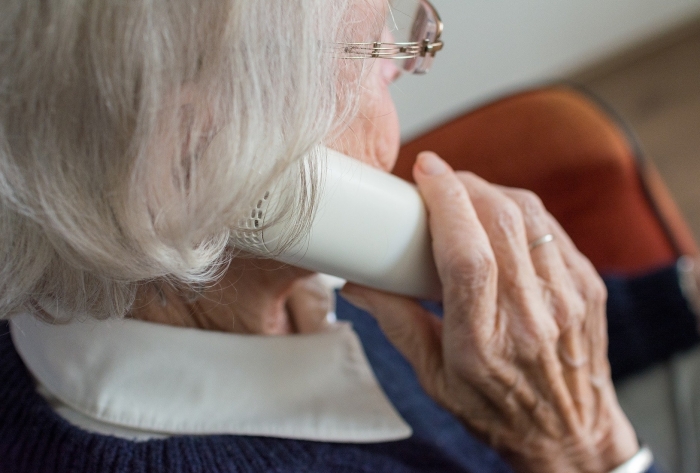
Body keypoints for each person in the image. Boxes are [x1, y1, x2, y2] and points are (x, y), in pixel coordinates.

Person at [0, 0, 678, 471]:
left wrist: (681, 294)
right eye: (378, 45)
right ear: (196, 161)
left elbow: (498, 335)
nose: (405, 64)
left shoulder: (261, 263)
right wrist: (587, 449)